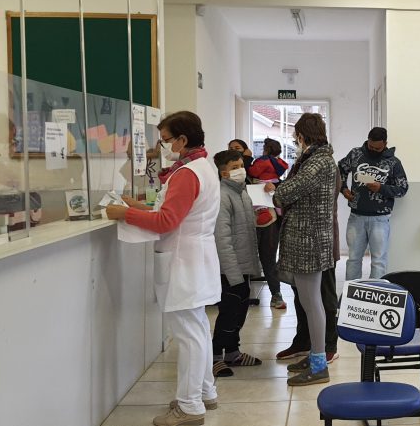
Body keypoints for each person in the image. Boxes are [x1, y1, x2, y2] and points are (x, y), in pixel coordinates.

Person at [106, 111, 220, 426]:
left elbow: (167, 221)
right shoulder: (201, 167)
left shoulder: (186, 174)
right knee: (197, 330)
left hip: (183, 261)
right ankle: (205, 392)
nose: (161, 146)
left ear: (183, 140)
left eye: (166, 140)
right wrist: (137, 206)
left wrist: (124, 214)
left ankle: (190, 406)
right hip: (194, 258)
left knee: (189, 335)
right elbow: (172, 210)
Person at [265, 113, 338, 386]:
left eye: (297, 136)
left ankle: (319, 365)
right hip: (308, 240)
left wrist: (276, 191)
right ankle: (314, 355)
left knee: (313, 303)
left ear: (302, 135)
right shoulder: (314, 159)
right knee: (309, 303)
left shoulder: (318, 162)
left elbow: (286, 193)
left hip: (310, 242)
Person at [209, 149, 264, 378]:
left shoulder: (242, 193)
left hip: (243, 265)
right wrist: (233, 274)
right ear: (224, 173)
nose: (240, 170)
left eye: (241, 165)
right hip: (230, 270)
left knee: (239, 312)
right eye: (234, 167)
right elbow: (222, 239)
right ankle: (214, 357)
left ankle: (233, 353)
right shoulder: (222, 197)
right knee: (229, 313)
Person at [337, 127, 409, 280]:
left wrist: (381, 188)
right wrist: (343, 189)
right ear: (367, 140)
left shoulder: (393, 162)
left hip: (380, 218)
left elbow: (403, 189)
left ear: (385, 144)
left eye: (377, 148)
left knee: (378, 261)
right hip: (356, 216)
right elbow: (340, 170)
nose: (373, 150)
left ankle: (375, 293)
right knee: (353, 259)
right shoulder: (355, 154)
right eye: (370, 146)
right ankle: (351, 292)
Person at [247, 138, 289, 309]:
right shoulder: (280, 165)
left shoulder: (259, 164)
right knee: (265, 259)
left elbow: (253, 172)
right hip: (269, 217)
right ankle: (274, 294)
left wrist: (248, 161)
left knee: (267, 259)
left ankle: (275, 294)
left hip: (265, 219)